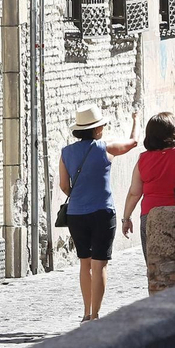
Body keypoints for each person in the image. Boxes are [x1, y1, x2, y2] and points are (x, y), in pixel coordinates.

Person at [58, 105, 138, 323]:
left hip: (76, 214)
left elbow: (64, 185)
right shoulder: (105, 148)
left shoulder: (66, 153)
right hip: (102, 212)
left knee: (85, 262)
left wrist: (80, 196)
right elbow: (133, 143)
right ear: (97, 129)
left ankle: (85, 313)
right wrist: (135, 121)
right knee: (100, 263)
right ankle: (95, 315)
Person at [121, 113, 175, 249]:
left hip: (150, 216)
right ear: (172, 131)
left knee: (154, 265)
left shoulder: (143, 159)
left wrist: (126, 219)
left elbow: (134, 193)